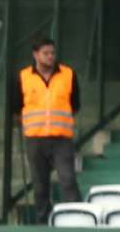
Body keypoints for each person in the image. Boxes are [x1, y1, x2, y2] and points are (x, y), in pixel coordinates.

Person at [10, 35, 80, 221]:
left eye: (52, 53)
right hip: (35, 139)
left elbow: (75, 105)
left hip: (62, 139)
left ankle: (76, 220)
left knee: (68, 180)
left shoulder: (68, 75)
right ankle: (43, 224)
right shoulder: (23, 77)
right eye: (46, 53)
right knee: (40, 186)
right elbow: (16, 107)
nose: (50, 56)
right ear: (35, 55)